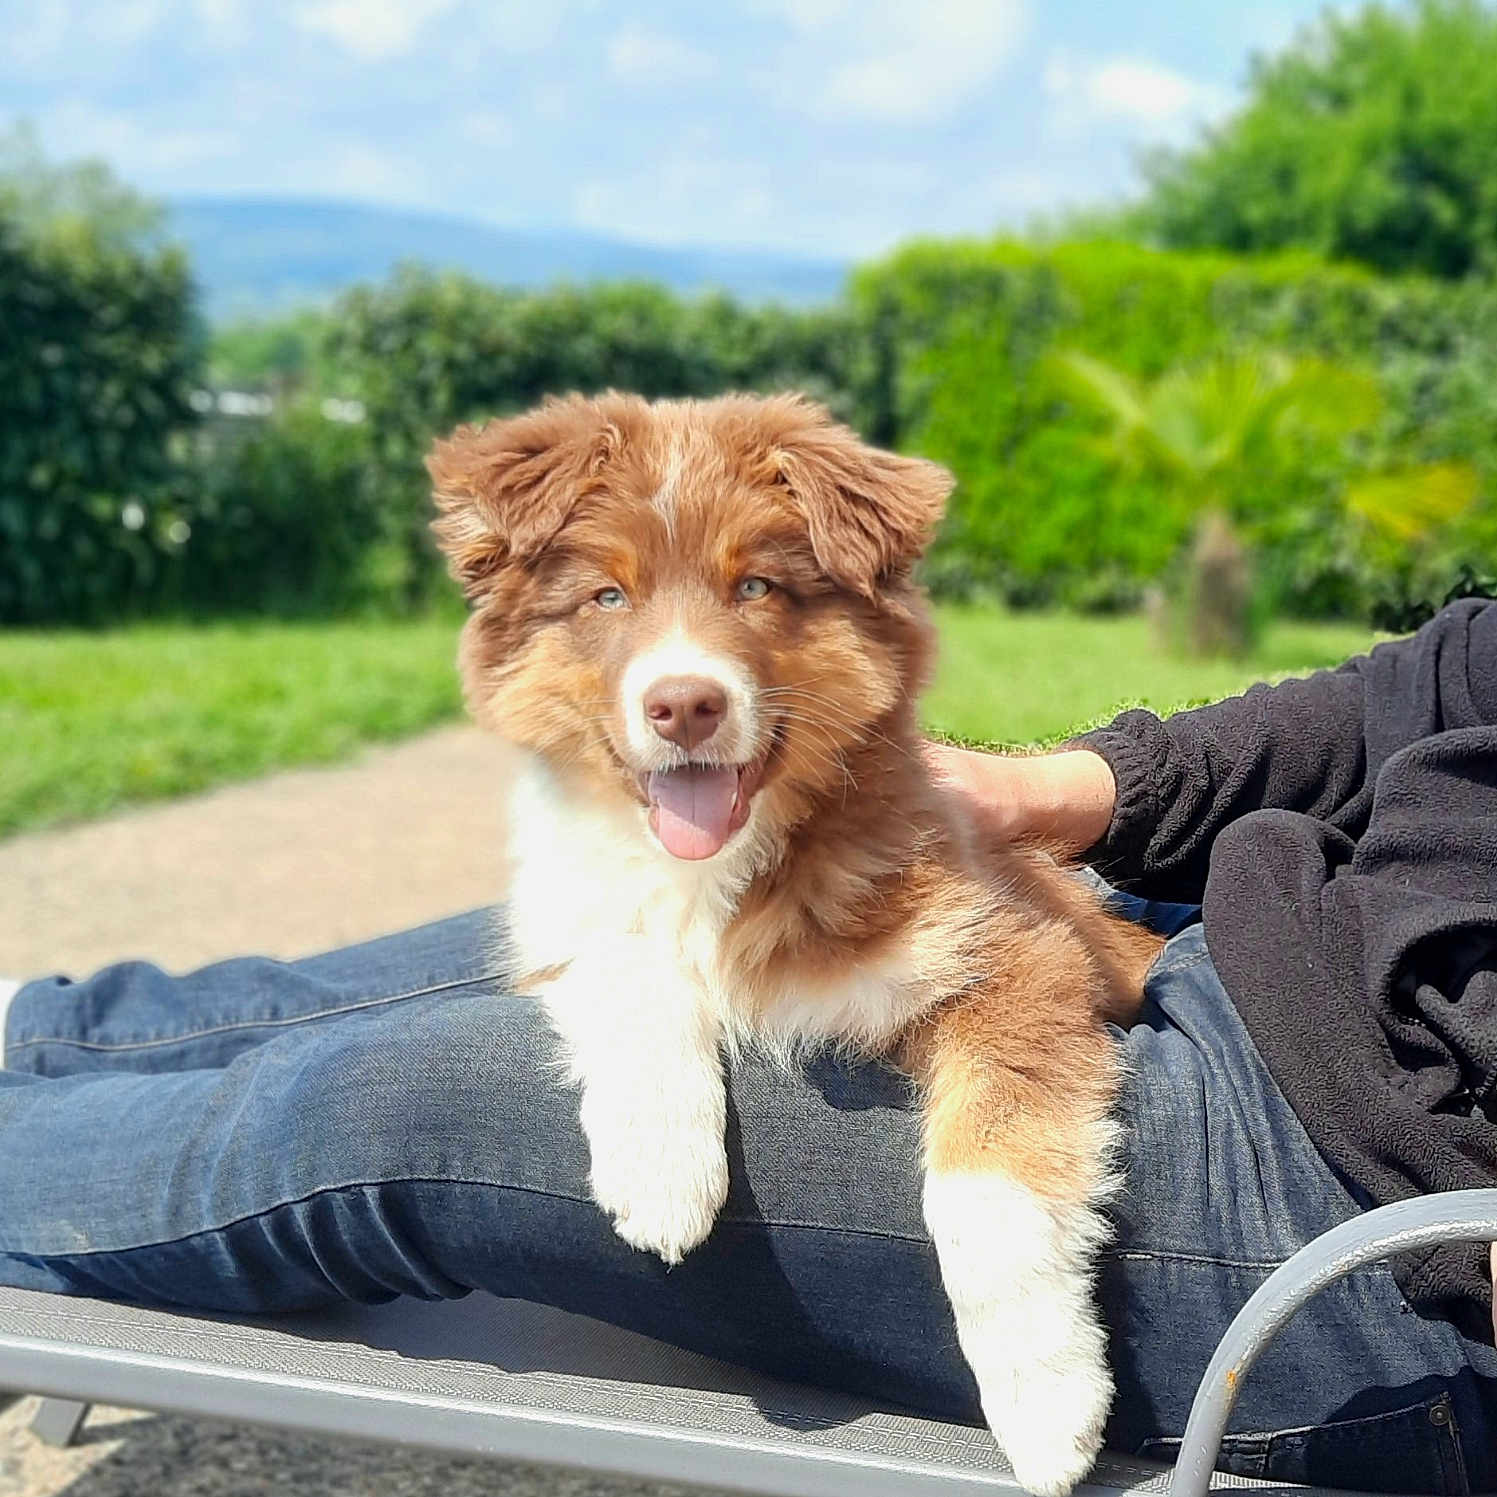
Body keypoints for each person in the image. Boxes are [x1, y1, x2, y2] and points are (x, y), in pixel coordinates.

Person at [2, 599, 1493, 1493]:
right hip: (1276, 944)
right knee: (620, 924)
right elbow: (1435, 684)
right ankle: (42, 1042)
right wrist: (1068, 788)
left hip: (1368, 1217)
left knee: (401, 1108)